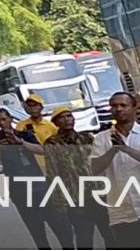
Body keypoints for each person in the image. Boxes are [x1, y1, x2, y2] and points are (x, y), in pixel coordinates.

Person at [90, 91, 140, 249]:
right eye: (114, 106)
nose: (119, 109)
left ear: (134, 108)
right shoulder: (101, 139)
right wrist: (113, 150)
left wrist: (126, 149)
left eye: (123, 105)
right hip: (123, 213)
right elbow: (95, 169)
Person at [0, 107, 67, 250]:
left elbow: (42, 150)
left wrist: (20, 142)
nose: (2, 123)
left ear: (10, 119)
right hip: (19, 190)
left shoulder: (25, 135)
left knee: (58, 223)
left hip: (40, 186)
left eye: (4, 119)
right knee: (36, 230)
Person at [42, 106, 95, 250]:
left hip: (95, 192)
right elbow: (52, 173)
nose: (67, 120)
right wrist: (59, 201)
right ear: (56, 122)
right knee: (84, 235)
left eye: (69, 116)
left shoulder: (86, 138)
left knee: (108, 233)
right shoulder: (52, 143)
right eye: (62, 117)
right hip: (74, 195)